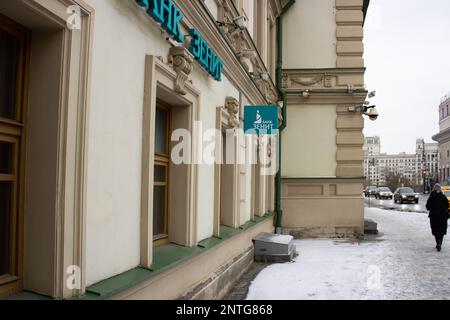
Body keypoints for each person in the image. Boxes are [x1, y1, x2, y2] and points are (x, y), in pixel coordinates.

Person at [426, 184, 450, 252]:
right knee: (441, 231)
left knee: (436, 231)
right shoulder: (443, 197)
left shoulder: (431, 197)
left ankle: (438, 243)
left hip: (434, 217)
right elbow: (447, 206)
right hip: (442, 217)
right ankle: (439, 243)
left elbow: (427, 207)